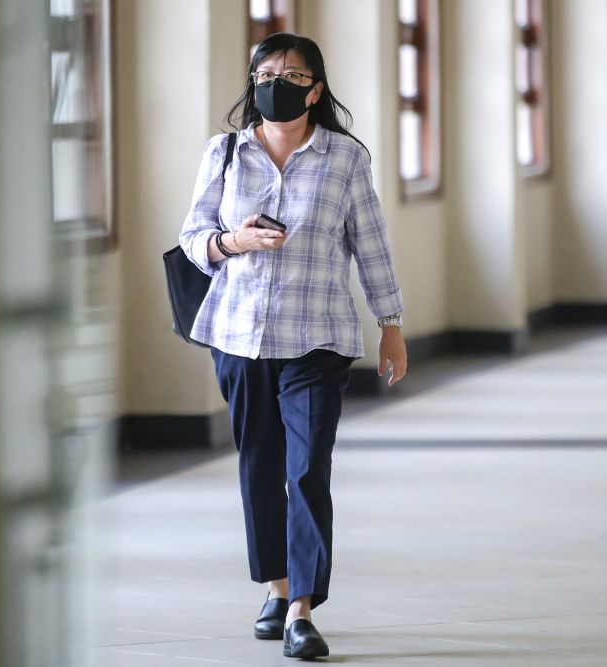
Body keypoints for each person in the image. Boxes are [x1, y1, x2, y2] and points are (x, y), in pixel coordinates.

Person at [179, 33, 407, 660]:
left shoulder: (345, 158)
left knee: (307, 469)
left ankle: (303, 610)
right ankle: (276, 590)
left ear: (315, 88)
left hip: (318, 336)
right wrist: (234, 241)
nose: (275, 84)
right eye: (264, 75)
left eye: (291, 75)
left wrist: (390, 323)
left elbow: (370, 243)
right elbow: (194, 238)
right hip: (239, 335)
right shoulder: (225, 152)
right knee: (259, 466)